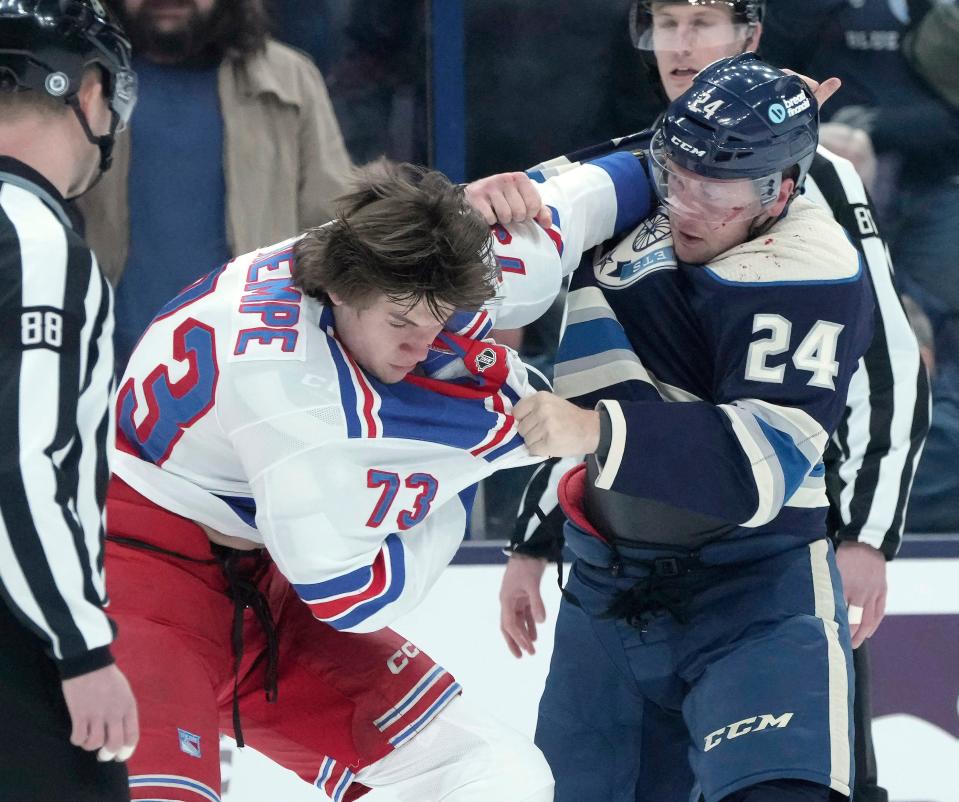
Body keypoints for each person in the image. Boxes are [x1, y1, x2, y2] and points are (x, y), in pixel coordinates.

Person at [480, 4, 929, 800]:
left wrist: (867, 531)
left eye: (703, 23)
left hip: (764, 543)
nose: (681, 46)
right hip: (614, 562)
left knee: (810, 777)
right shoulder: (633, 169)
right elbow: (595, 370)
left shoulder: (814, 176)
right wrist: (535, 535)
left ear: (750, 38)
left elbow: (885, 361)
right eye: (665, 24)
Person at [102, 154, 654, 801]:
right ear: (339, 288)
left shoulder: (413, 257)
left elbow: (610, 188)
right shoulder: (294, 397)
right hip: (139, 585)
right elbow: (350, 598)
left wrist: (729, 130)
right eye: (400, 323)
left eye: (438, 320)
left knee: (494, 776)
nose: (421, 343)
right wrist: (449, 487)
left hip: (262, 576)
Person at [0, 2, 140, 800]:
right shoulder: (34, 237)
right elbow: (21, 463)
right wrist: (81, 651)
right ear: (90, 93)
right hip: (18, 661)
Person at [78, 0, 354, 368]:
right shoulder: (76, 79)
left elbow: (333, 222)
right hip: (100, 364)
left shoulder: (289, 79)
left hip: (252, 364)